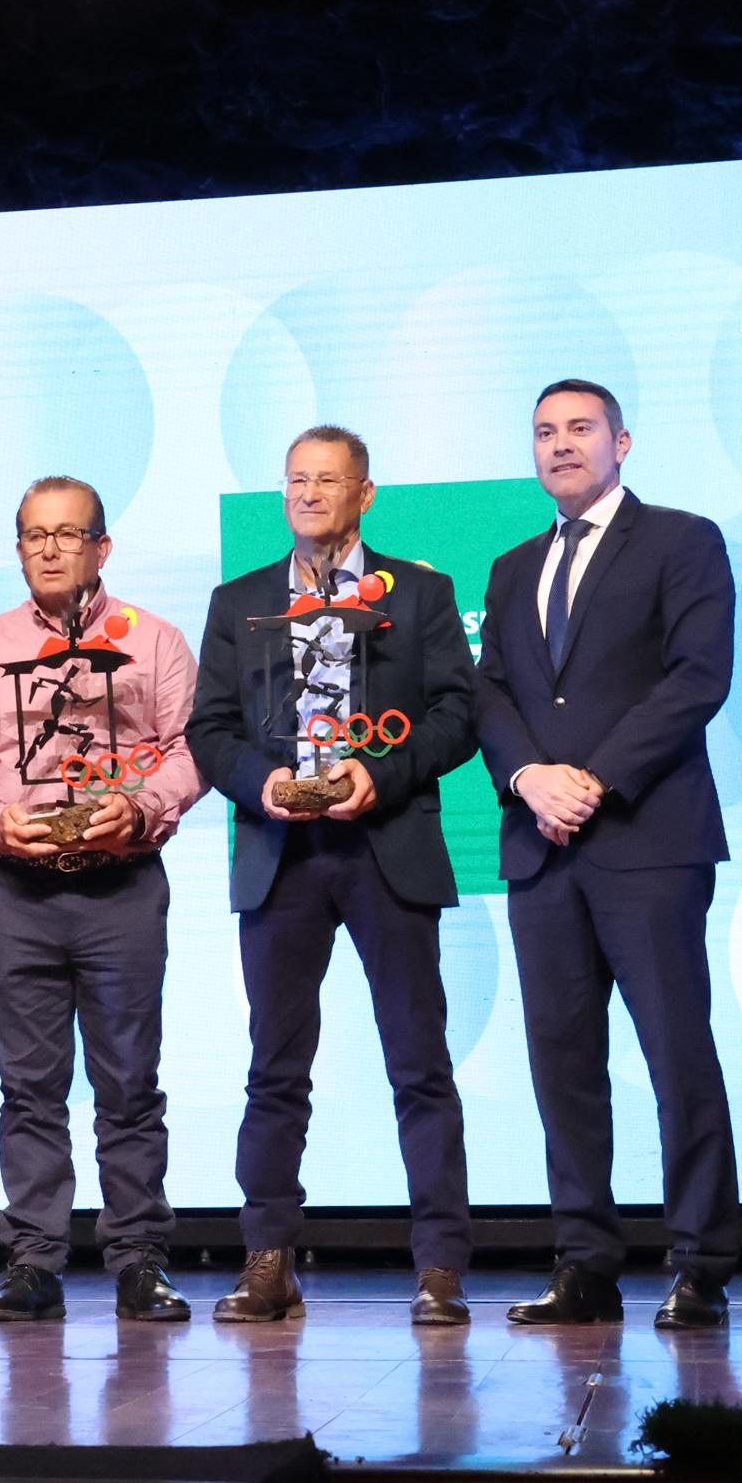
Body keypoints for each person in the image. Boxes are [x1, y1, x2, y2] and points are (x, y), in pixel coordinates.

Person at [187, 426, 480, 1326]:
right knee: (274, 1069)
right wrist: (261, 781)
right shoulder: (237, 601)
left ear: (365, 493)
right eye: (295, 480)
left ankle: (438, 1268)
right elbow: (209, 728)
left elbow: (458, 714)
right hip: (282, 857)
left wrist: (377, 774)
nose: (309, 494)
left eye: (328, 480)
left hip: (383, 844)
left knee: (418, 1065)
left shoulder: (421, 591)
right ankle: (267, 1260)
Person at [472, 379, 739, 1329]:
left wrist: (591, 777)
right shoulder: (509, 567)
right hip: (540, 849)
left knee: (676, 1054)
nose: (560, 445)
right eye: (543, 431)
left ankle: (701, 1262)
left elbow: (697, 676)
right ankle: (584, 1260)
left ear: (621, 440)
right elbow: (489, 693)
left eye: (579, 428)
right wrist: (527, 780)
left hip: (646, 840)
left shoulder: (681, 539)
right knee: (563, 1065)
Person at [0, 477, 204, 1323]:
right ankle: (33, 1263)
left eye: (67, 534)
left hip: (121, 885)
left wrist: (144, 804)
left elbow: (193, 748)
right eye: (33, 536)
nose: (49, 549)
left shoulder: (154, 641)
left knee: (129, 1083)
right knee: (29, 1088)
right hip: (16, 891)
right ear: (19, 550)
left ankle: (138, 1259)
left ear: (102, 546)